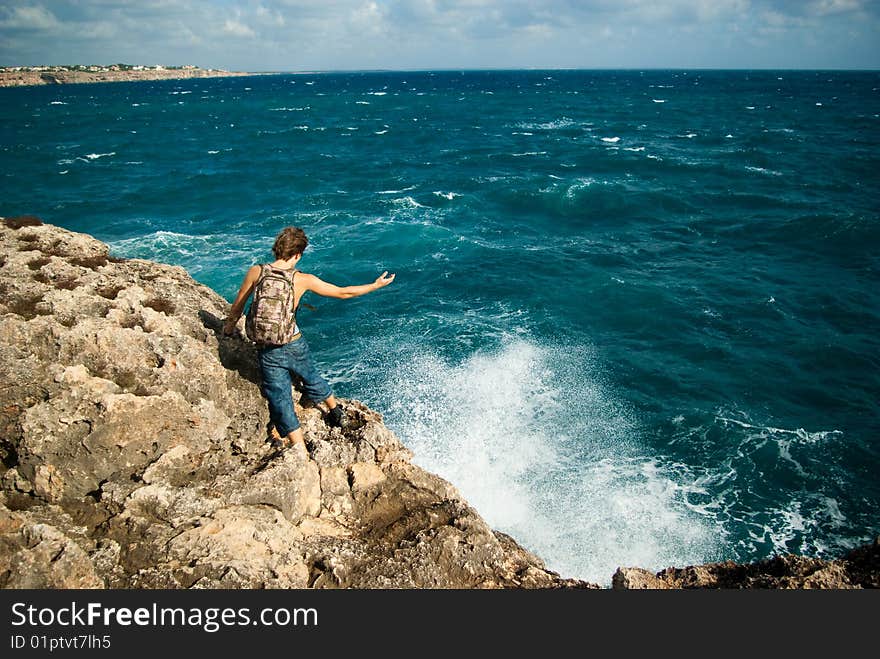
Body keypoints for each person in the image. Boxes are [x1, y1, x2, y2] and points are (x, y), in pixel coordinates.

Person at [223, 226, 395, 451]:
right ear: (297, 254)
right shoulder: (302, 279)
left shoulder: (257, 271)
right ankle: (335, 411)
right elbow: (344, 293)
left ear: (276, 249)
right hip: (293, 342)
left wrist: (228, 327)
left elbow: (239, 304)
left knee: (280, 396)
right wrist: (375, 285)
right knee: (311, 375)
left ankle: (299, 447)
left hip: (267, 347)